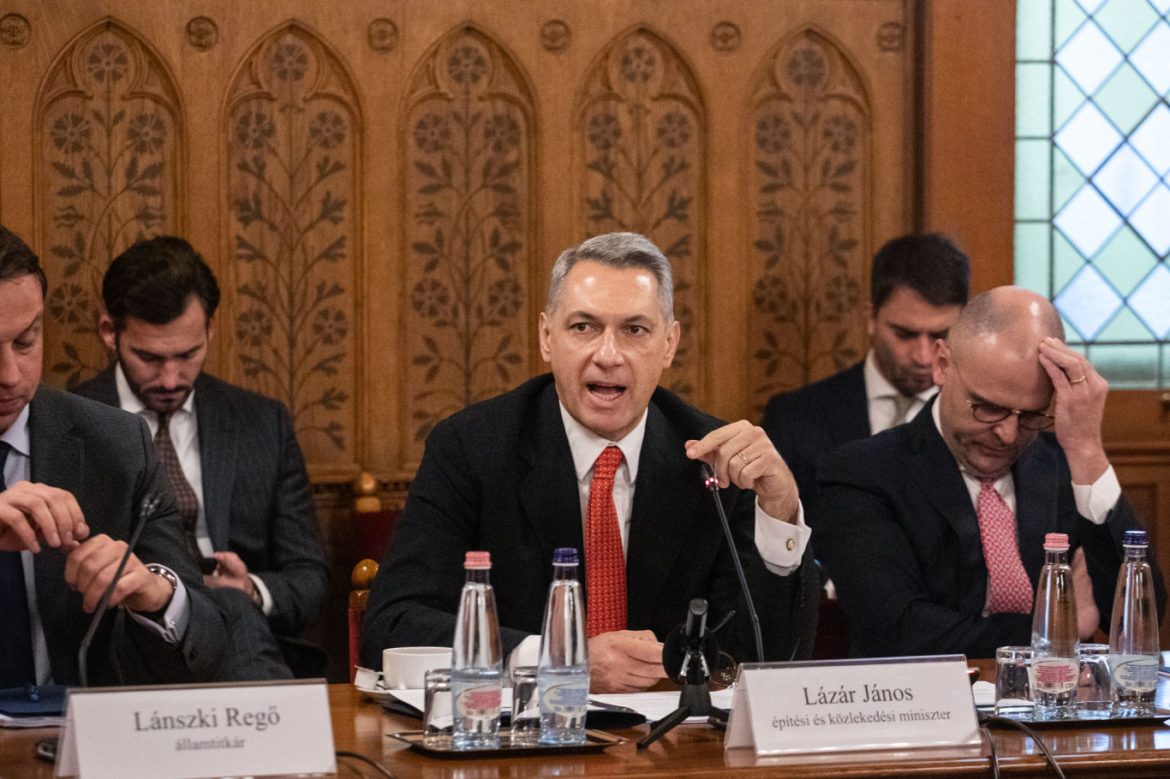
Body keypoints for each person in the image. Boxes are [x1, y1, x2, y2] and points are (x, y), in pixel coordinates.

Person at [361, 232, 819, 693]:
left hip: (670, 733)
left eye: (634, 330)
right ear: (547, 337)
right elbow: (393, 625)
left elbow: (765, 657)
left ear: (669, 344)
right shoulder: (472, 448)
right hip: (523, 730)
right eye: (584, 327)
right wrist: (559, 661)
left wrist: (779, 511)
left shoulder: (713, 459)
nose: (608, 355)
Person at [815, 286, 1165, 658]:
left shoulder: (1065, 467)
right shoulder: (863, 473)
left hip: (1052, 692)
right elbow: (898, 631)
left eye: (1030, 416)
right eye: (988, 408)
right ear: (942, 366)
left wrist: (1087, 451)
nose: (1008, 434)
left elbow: (1138, 620)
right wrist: (1053, 628)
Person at [74, 236, 329, 679]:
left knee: (229, 605)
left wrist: (251, 589)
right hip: (127, 636)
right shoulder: (73, 423)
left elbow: (310, 577)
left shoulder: (260, 423)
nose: (170, 379)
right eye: (149, 357)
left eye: (188, 355)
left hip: (244, 632)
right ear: (110, 332)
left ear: (210, 329)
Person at [0, 225, 227, 687]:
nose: (10, 375)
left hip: (75, 725)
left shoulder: (117, 445)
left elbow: (208, 644)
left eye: (25, 342)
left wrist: (155, 595)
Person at [762, 233, 969, 506]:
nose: (923, 356)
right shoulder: (795, 419)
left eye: (940, 336)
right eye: (904, 334)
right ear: (871, 317)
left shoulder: (980, 420)